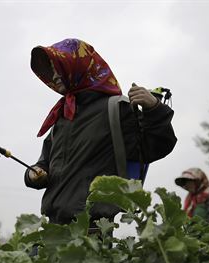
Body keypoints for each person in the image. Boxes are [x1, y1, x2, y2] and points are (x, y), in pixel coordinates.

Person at [23, 38, 177, 228]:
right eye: (51, 71)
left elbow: (153, 148)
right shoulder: (61, 118)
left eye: (59, 67)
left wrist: (154, 109)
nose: (53, 76)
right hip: (53, 226)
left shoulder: (116, 108)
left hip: (92, 227)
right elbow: (45, 163)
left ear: (77, 65)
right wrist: (34, 174)